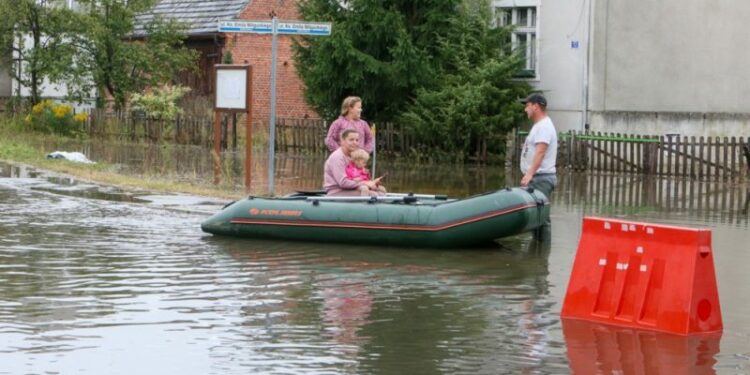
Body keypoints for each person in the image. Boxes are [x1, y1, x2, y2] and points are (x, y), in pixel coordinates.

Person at [324, 129, 384, 196]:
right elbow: (343, 183)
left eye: (357, 140)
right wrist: (365, 183)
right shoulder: (337, 157)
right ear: (342, 141)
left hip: (352, 189)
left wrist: (371, 182)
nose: (355, 142)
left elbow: (357, 175)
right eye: (351, 140)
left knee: (381, 191)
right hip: (337, 191)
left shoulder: (354, 156)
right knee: (373, 195)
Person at [519, 93, 557, 199]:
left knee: (538, 212)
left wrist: (529, 174)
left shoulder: (544, 126)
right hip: (537, 178)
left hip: (541, 178)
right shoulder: (539, 125)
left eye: (527, 105)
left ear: (535, 106)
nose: (525, 109)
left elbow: (540, 152)